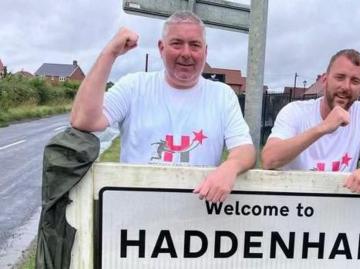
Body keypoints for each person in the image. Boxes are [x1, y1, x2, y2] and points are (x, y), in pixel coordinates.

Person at [70, 11, 255, 203]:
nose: (186, 53)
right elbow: (84, 120)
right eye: (177, 43)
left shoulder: (222, 95)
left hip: (197, 217)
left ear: (205, 51)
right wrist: (110, 52)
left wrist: (230, 168)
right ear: (161, 47)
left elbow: (245, 150)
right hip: (135, 215)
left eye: (195, 45)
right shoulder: (134, 86)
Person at [261, 49, 360, 193]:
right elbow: (269, 159)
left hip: (337, 208)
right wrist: (323, 128)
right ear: (325, 80)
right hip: (296, 208)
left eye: (355, 81)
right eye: (340, 77)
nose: (346, 87)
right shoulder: (295, 111)